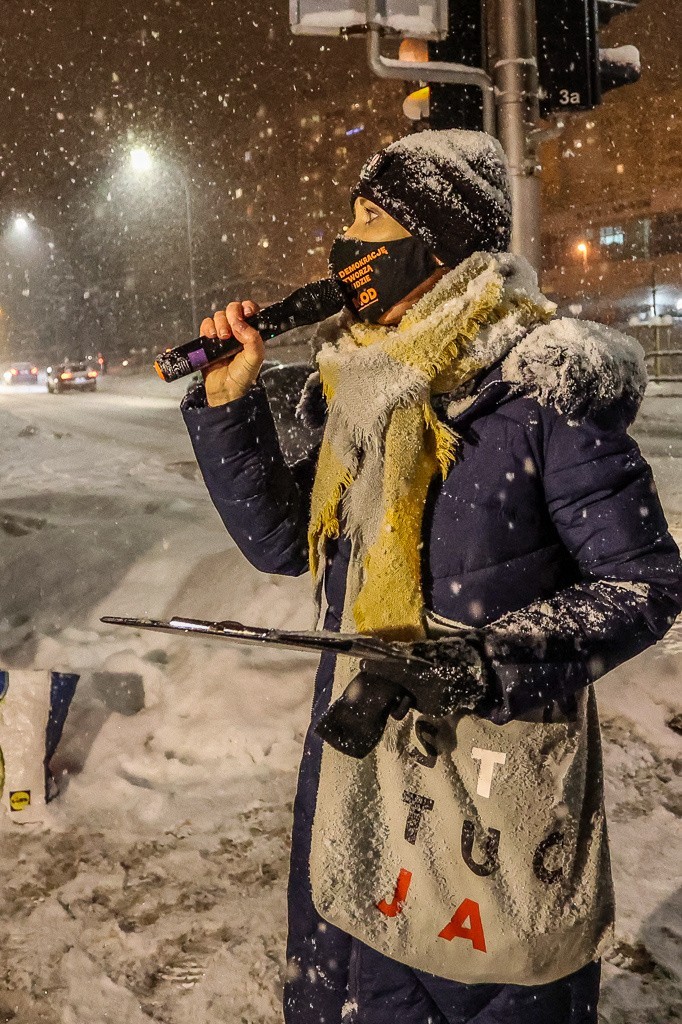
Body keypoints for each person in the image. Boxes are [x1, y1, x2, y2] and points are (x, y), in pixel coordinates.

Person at [181, 130, 682, 1024]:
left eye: (370, 220)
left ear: (436, 239)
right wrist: (230, 407)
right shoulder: (351, 386)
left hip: (495, 805)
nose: (347, 242)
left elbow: (643, 583)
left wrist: (491, 662)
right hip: (359, 779)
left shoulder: (540, 390)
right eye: (348, 219)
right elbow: (279, 543)